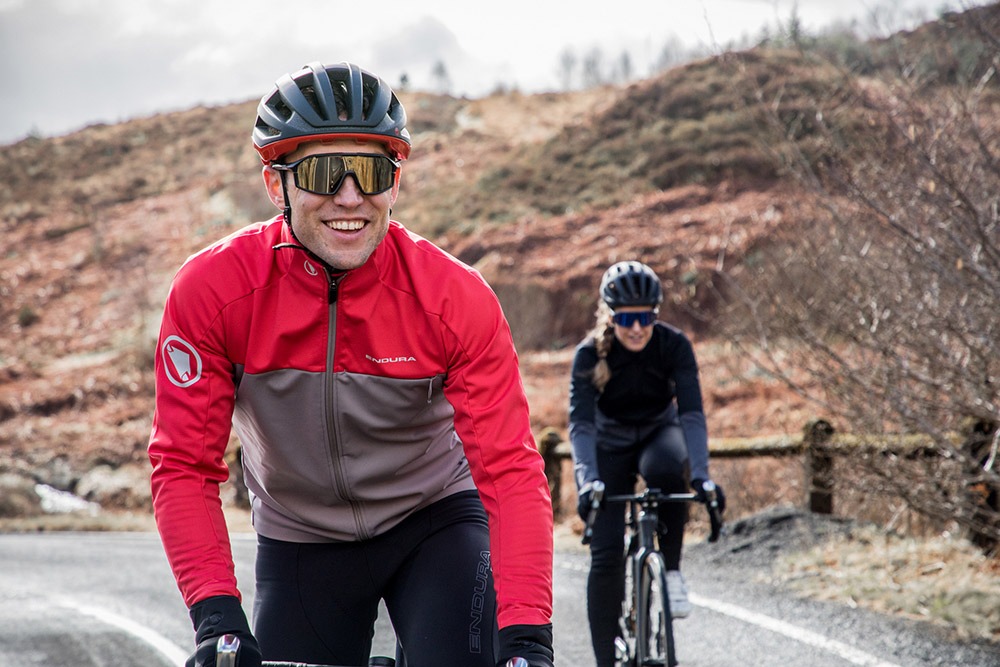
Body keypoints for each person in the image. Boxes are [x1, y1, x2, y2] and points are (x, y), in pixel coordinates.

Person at [148, 61, 554, 667]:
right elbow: (183, 465)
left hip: (434, 520)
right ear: (274, 183)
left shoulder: (453, 298)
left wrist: (526, 639)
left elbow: (511, 471)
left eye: (369, 170)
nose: (349, 197)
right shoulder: (214, 292)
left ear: (395, 181)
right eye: (321, 171)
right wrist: (217, 620)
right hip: (302, 539)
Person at [568, 260, 722, 667]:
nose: (637, 328)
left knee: (670, 470)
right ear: (610, 315)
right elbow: (580, 426)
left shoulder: (674, 346)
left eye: (646, 317)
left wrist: (703, 476)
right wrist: (588, 482)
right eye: (627, 318)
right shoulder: (588, 355)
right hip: (608, 445)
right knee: (604, 558)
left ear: (657, 314)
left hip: (658, 433)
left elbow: (691, 415)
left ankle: (670, 571)